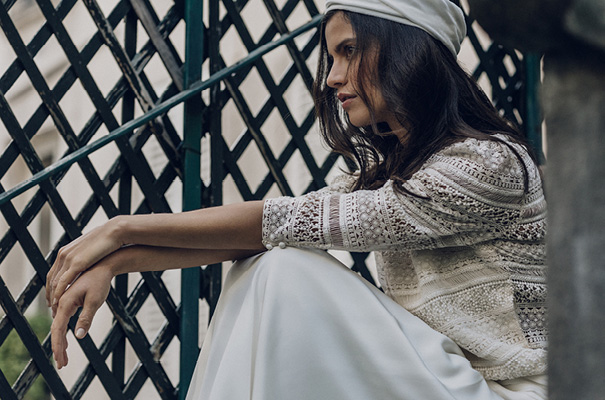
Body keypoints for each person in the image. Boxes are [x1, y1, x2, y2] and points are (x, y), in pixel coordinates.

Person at [46, 0, 548, 398]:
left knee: (288, 267)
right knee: (265, 262)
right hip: (445, 379)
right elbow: (261, 235)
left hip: (512, 391)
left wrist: (119, 230)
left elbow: (284, 221)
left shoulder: (487, 165)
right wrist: (115, 261)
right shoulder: (391, 176)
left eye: (349, 51)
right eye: (333, 56)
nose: (332, 77)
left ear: (409, 52)